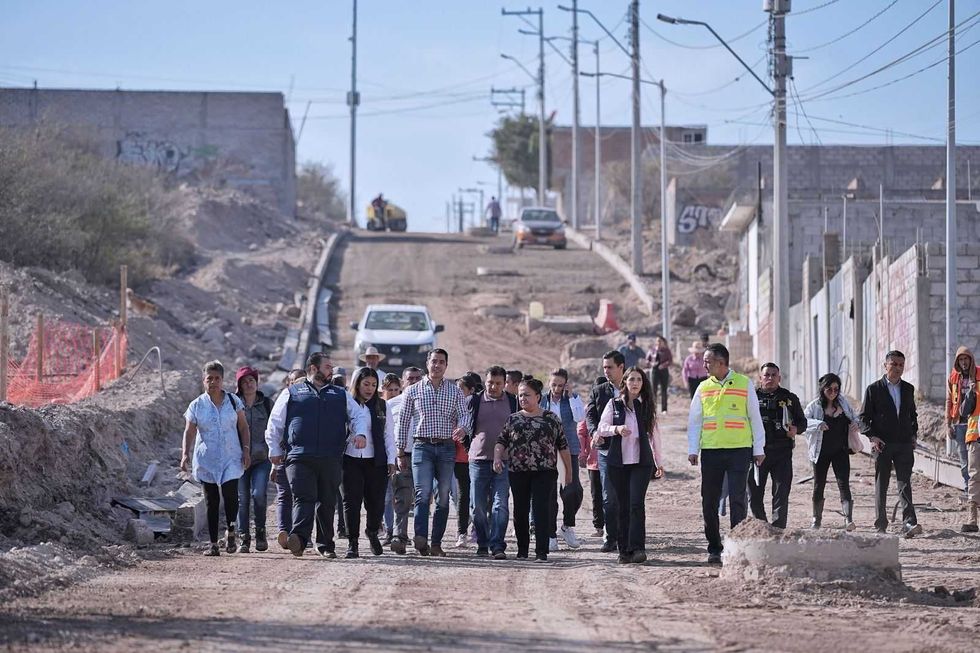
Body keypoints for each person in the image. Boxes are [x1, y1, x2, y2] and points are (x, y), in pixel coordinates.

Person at [265, 352, 369, 558]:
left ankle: (325, 545)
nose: (331, 370)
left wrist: (361, 433)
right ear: (313, 368)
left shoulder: (340, 394)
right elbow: (275, 422)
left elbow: (357, 415)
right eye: (328, 367)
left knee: (327, 501)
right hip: (299, 455)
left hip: (331, 456)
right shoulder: (292, 393)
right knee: (304, 497)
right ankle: (299, 540)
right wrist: (274, 450)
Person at [687, 343, 765, 565]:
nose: (704, 364)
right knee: (709, 501)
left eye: (708, 361)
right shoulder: (703, 388)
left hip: (740, 450)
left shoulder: (744, 383)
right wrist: (693, 449)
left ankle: (736, 546)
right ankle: (714, 547)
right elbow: (695, 421)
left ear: (721, 363)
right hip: (711, 451)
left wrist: (758, 449)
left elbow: (754, 418)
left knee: (738, 499)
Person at [395, 349, 471, 557]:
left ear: (446, 366)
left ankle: (436, 543)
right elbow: (402, 423)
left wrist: (463, 428)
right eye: (434, 361)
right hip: (422, 447)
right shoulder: (413, 391)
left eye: (441, 362)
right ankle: (421, 537)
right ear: (427, 363)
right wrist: (401, 452)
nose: (437, 365)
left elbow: (465, 415)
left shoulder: (454, 391)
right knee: (422, 494)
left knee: (444, 496)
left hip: (446, 448)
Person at [494, 378, 573, 562]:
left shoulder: (551, 419)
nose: (523, 398)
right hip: (518, 471)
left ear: (538, 396)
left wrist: (568, 471)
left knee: (541, 510)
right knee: (520, 511)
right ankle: (522, 551)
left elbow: (563, 446)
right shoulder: (513, 419)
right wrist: (497, 457)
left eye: (527, 395)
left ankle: (541, 552)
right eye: (520, 395)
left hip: (544, 472)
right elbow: (501, 441)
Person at [180, 360, 249, 556]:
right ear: (204, 380)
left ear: (223, 380)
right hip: (206, 458)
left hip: (231, 456)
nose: (213, 382)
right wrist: (185, 453)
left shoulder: (234, 402)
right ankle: (212, 544)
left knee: (230, 496)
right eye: (209, 378)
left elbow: (243, 427)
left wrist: (246, 450)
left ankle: (231, 531)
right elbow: (189, 431)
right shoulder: (196, 405)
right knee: (211, 500)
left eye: (217, 378)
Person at [597, 367, 662, 563]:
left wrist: (659, 462)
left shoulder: (647, 406)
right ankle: (623, 550)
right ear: (624, 382)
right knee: (622, 506)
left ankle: (638, 548)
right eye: (632, 379)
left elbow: (654, 435)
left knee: (636, 504)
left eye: (639, 380)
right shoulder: (614, 404)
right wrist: (617, 429)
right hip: (618, 463)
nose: (635, 383)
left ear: (643, 384)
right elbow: (602, 428)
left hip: (641, 463)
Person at [860, 350, 922, 537]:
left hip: (903, 444)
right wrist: (873, 437)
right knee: (882, 483)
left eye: (901, 365)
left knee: (905, 483)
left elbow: (912, 415)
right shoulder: (874, 389)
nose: (897, 368)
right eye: (893, 364)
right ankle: (881, 524)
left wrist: (913, 435)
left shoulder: (908, 389)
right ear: (885, 365)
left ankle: (909, 523)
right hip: (883, 444)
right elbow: (863, 418)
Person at [342, 367, 396, 558]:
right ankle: (352, 542)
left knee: (376, 503)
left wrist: (391, 459)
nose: (370, 388)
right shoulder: (347, 404)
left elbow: (389, 434)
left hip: (376, 461)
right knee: (351, 502)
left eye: (374, 385)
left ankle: (372, 531)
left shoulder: (382, 406)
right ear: (357, 384)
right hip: (350, 460)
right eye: (366, 384)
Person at [748, 363, 806, 530]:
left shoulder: (789, 398)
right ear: (760, 378)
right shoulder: (751, 397)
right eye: (767, 375)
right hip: (758, 453)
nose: (770, 378)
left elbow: (802, 422)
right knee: (754, 493)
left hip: (782, 452)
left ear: (779, 378)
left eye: (774, 375)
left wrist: (796, 429)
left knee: (781, 493)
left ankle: (779, 529)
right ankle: (762, 527)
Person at [467, 366, 518, 558]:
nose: (493, 387)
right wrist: (469, 447)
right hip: (478, 461)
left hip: (505, 462)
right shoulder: (475, 400)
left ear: (505, 384)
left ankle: (497, 545)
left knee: (500, 505)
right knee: (478, 507)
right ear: (484, 382)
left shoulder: (513, 402)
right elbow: (466, 424)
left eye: (498, 383)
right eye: (490, 383)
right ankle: (482, 542)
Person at [803, 373, 861, 530]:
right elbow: (803, 422)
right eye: (829, 389)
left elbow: (855, 417)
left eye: (836, 389)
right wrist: (818, 424)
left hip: (840, 451)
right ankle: (816, 519)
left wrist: (856, 424)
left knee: (844, 484)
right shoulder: (814, 406)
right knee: (818, 484)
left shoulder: (843, 403)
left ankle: (848, 519)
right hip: (820, 452)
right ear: (822, 389)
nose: (833, 392)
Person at [540, 368, 585, 551]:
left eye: (560, 385)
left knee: (572, 490)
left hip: (569, 449)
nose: (557, 388)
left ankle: (567, 525)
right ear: (549, 383)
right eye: (554, 384)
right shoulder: (542, 399)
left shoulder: (573, 399)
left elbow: (580, 417)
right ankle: (550, 535)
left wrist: (572, 395)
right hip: (547, 451)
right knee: (550, 494)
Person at [586, 352, 627, 554]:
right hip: (606, 451)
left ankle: (628, 538)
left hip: (630, 450)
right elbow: (590, 415)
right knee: (609, 497)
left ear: (621, 367)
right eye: (604, 368)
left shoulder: (634, 388)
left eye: (610, 367)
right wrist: (594, 433)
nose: (606, 371)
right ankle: (610, 538)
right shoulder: (599, 391)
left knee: (628, 497)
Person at [234, 366, 273, 553]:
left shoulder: (266, 404)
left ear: (257, 383)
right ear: (239, 385)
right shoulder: (233, 404)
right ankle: (244, 537)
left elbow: (276, 428)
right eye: (244, 381)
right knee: (242, 499)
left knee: (258, 495)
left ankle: (260, 532)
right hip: (239, 460)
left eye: (251, 380)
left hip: (261, 460)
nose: (248, 384)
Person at [387, 366, 424, 554]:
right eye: (410, 378)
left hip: (425, 454)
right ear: (403, 382)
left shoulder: (428, 402)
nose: (414, 381)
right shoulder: (392, 404)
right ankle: (398, 536)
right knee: (402, 498)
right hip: (403, 456)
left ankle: (421, 537)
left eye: (418, 378)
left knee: (422, 499)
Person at [272, 368, 307, 549]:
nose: (297, 385)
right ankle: (283, 531)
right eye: (294, 381)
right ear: (289, 383)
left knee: (301, 495)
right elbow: (274, 429)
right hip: (284, 455)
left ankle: (298, 533)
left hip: (304, 456)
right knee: (284, 494)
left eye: (301, 381)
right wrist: (274, 456)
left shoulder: (310, 402)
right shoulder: (283, 400)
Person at [452, 374, 479, 547]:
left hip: (478, 458)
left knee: (479, 497)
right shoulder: (452, 407)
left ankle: (478, 530)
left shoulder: (478, 408)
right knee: (463, 496)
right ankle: (461, 532)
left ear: (471, 390)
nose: (458, 393)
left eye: (461, 389)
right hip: (459, 458)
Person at [946, 347, 977, 493]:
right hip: (959, 424)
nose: (964, 362)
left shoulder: (978, 373)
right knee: (964, 459)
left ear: (971, 359)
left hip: (976, 423)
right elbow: (949, 401)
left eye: (966, 359)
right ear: (957, 361)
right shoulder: (953, 377)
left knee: (975, 458)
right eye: (961, 359)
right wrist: (948, 424)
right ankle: (968, 488)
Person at [379, 373, 402, 544]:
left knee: (400, 496)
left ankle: (400, 532)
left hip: (400, 455)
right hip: (383, 456)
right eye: (390, 390)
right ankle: (389, 530)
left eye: (396, 389)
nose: (393, 393)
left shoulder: (402, 405)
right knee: (387, 496)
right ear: (383, 390)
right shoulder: (378, 407)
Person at [958, 379, 980, 532]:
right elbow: (963, 411)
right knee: (974, 476)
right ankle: (972, 518)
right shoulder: (976, 389)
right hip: (975, 438)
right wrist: (970, 394)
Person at [646, 336, 673, 414]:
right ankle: (653, 408)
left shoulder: (667, 351)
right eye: (658, 341)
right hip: (654, 370)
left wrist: (663, 365)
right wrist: (651, 363)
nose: (659, 342)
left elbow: (670, 360)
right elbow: (647, 359)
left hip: (663, 371)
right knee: (653, 390)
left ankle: (664, 409)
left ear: (663, 342)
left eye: (660, 341)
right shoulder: (652, 350)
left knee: (664, 390)